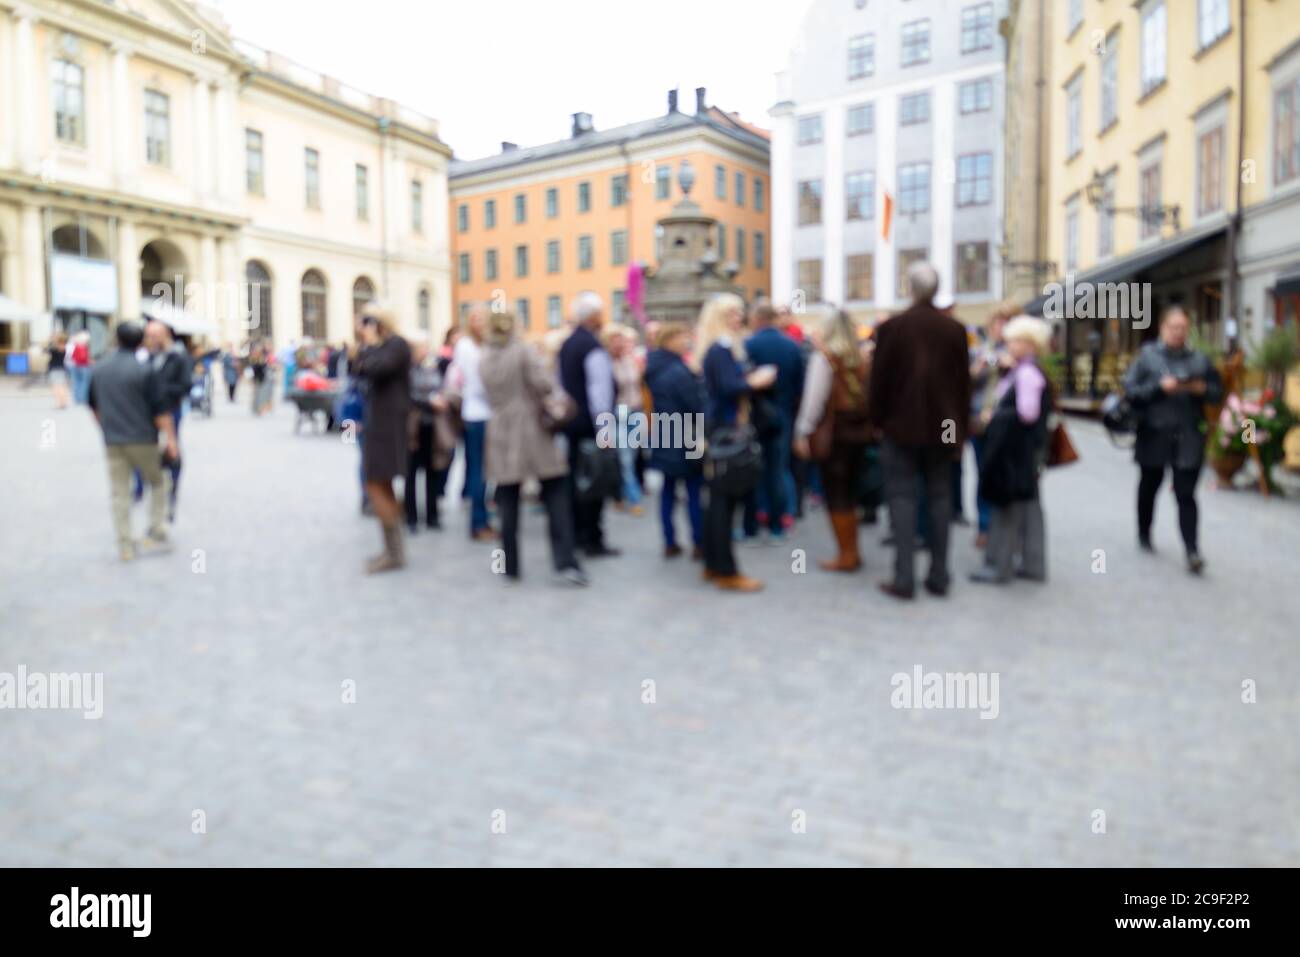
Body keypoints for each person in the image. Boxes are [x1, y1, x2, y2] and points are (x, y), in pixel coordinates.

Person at [868, 261, 972, 600]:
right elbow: (962, 386)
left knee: (902, 496)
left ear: (909, 288)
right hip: (943, 424)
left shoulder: (892, 328)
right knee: (940, 495)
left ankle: (904, 577)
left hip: (902, 423)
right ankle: (939, 575)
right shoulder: (954, 329)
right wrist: (958, 431)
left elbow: (878, 382)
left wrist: (877, 421)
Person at [480, 309, 587, 586]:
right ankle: (565, 561)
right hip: (530, 427)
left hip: (500, 429)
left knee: (507, 499)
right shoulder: (523, 351)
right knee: (555, 493)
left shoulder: (485, 356)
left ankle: (510, 564)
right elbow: (544, 384)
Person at [1123, 306, 1222, 574]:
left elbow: (1217, 393)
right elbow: (1130, 391)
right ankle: (1144, 532)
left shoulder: (1200, 359)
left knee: (1186, 494)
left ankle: (1192, 551)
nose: (1178, 333)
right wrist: (1158, 388)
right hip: (1154, 432)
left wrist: (1203, 389)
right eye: (1173, 327)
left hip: (1189, 435)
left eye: (1182, 328)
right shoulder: (1147, 356)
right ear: (1163, 328)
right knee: (1149, 486)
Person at [698, 293, 777, 592]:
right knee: (724, 501)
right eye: (732, 314)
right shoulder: (722, 347)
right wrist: (756, 381)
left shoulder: (717, 346)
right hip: (726, 430)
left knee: (718, 499)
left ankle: (713, 563)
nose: (739, 318)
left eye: (739, 312)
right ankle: (725, 569)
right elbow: (729, 387)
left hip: (719, 429)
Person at [970, 316, 1052, 585]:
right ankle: (1032, 563)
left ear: (1030, 344)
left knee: (1006, 508)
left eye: (1015, 340)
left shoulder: (1026, 373)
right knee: (1029, 507)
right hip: (1025, 452)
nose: (1009, 344)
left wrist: (993, 416)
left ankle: (998, 566)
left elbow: (1027, 414)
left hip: (1014, 452)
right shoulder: (1026, 370)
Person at [87, 322, 178, 561]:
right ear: (141, 342)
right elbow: (160, 411)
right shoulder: (145, 369)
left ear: (116, 340)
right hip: (143, 439)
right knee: (159, 482)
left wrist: (106, 427)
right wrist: (171, 439)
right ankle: (157, 528)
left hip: (113, 440)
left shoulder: (100, 368)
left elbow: (94, 407)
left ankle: (125, 544)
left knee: (120, 492)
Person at [793, 309, 874, 572]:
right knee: (850, 494)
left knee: (837, 495)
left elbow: (814, 401)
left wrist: (802, 431)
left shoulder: (824, 358)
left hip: (834, 436)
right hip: (859, 435)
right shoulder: (861, 358)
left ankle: (846, 555)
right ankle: (854, 551)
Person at [559, 292, 619, 558]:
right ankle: (591, 538)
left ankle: (577, 534)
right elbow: (600, 392)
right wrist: (605, 429)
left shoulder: (568, 344)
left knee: (576, 481)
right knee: (594, 483)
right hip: (591, 426)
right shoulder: (592, 347)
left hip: (572, 423)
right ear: (593, 317)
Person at [354, 304, 412, 573]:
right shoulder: (386, 346)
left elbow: (375, 369)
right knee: (381, 485)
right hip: (378, 423)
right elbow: (358, 372)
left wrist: (366, 344)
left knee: (376, 486)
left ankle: (395, 553)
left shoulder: (397, 345)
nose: (363, 326)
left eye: (368, 320)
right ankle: (392, 550)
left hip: (388, 426)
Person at [744, 300, 805, 541]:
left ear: (757, 319)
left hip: (755, 415)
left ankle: (759, 515)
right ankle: (779, 522)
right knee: (778, 469)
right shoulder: (791, 346)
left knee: (755, 468)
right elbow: (800, 383)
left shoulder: (749, 344)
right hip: (783, 414)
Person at [645, 322, 705, 560]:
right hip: (685, 435)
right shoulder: (678, 370)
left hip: (664, 433)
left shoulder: (655, 365)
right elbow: (694, 405)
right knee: (693, 490)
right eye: (682, 337)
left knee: (668, 491)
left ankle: (669, 541)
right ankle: (699, 541)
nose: (686, 342)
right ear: (669, 340)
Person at [968, 304, 1016, 548]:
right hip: (980, 420)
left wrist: (1011, 364)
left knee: (1006, 474)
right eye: (997, 322)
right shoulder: (979, 350)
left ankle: (1006, 526)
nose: (1000, 328)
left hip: (1007, 423)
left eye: (1005, 322)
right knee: (984, 473)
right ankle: (985, 526)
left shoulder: (1020, 352)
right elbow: (967, 382)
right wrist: (978, 368)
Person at [450, 304, 495, 542]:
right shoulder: (466, 346)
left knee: (483, 470)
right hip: (477, 414)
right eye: (475, 318)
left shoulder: (487, 343)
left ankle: (483, 518)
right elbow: (476, 383)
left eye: (483, 318)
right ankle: (478, 522)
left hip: (486, 413)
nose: (479, 322)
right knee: (478, 470)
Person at [142, 320, 191, 522]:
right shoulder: (147, 357)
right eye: (149, 335)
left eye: (155, 335)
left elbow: (185, 385)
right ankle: (144, 485)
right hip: (148, 412)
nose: (151, 339)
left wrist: (159, 390)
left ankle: (172, 487)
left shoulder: (178, 357)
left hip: (171, 410)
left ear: (165, 335)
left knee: (171, 449)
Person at [404, 335, 444, 533]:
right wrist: (429, 401)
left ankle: (432, 516)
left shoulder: (430, 367)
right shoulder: (406, 370)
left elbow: (439, 385)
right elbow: (409, 395)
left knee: (432, 470)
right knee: (410, 473)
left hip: (431, 426)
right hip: (413, 427)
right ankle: (410, 517)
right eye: (422, 347)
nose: (426, 351)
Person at [606, 325, 645, 515]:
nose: (621, 344)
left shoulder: (630, 361)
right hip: (618, 413)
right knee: (625, 458)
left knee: (633, 454)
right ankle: (634, 498)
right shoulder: (607, 363)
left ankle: (619, 494)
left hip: (635, 410)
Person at [67, 331, 93, 405]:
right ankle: (83, 398)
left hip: (75, 366)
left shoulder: (75, 346)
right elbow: (83, 357)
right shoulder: (82, 347)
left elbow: (72, 356)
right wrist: (89, 361)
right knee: (84, 383)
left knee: (76, 383)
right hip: (83, 366)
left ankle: (77, 398)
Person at [47, 333, 70, 409]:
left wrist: (52, 341)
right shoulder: (64, 348)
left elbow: (46, 350)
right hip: (62, 368)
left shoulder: (54, 349)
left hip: (54, 369)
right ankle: (64, 401)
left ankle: (59, 402)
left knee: (56, 386)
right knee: (63, 386)